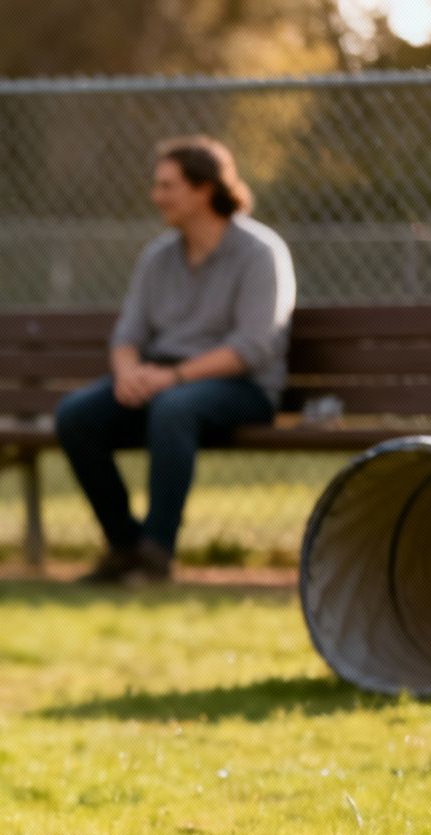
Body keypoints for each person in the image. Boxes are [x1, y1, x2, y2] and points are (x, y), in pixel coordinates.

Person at [54, 135, 295, 585]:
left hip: (239, 388)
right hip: (161, 381)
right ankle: (126, 547)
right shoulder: (157, 257)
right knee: (76, 416)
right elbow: (128, 335)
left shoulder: (261, 254)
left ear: (204, 189)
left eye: (168, 186)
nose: (156, 196)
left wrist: (174, 377)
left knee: (174, 407)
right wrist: (128, 375)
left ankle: (157, 554)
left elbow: (254, 347)